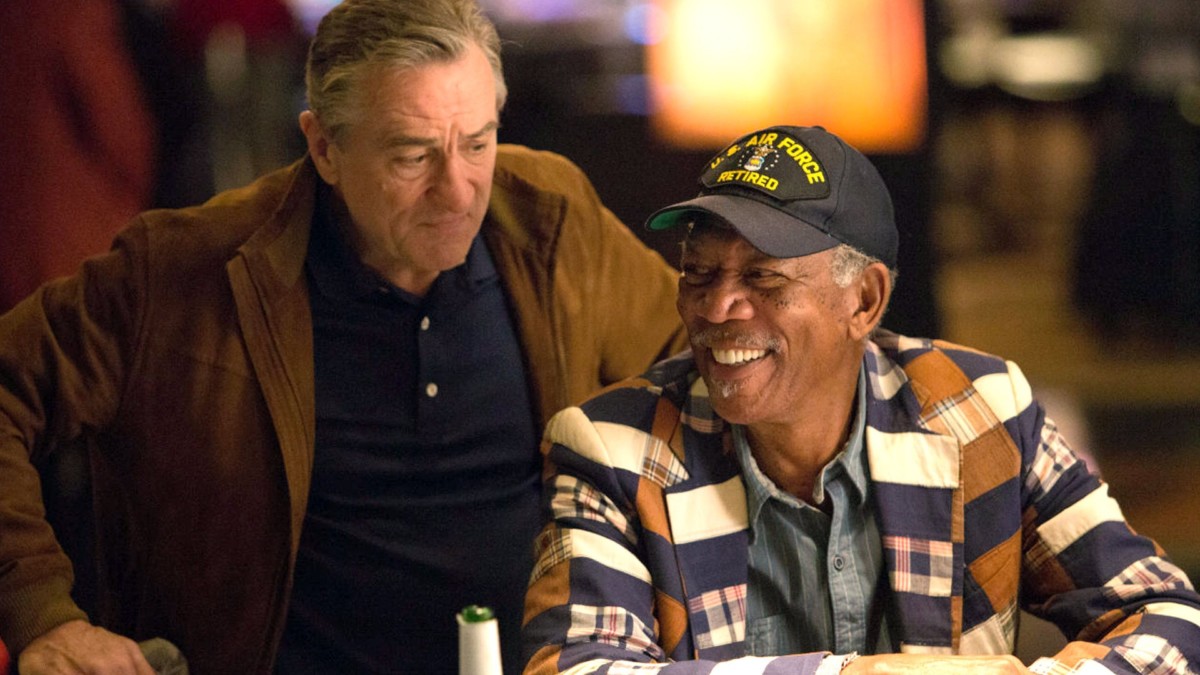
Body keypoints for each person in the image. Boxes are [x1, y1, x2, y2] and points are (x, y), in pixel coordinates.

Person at [0, 0, 687, 673]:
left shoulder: (550, 222)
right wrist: (42, 613)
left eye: (478, 144)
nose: (458, 191)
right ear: (324, 147)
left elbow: (695, 367)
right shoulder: (186, 271)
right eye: (413, 156)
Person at [521, 125, 1200, 674]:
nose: (718, 306)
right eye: (698, 273)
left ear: (865, 301)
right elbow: (576, 668)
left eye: (764, 279)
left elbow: (1167, 611)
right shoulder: (611, 448)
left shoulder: (983, 408)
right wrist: (850, 674)